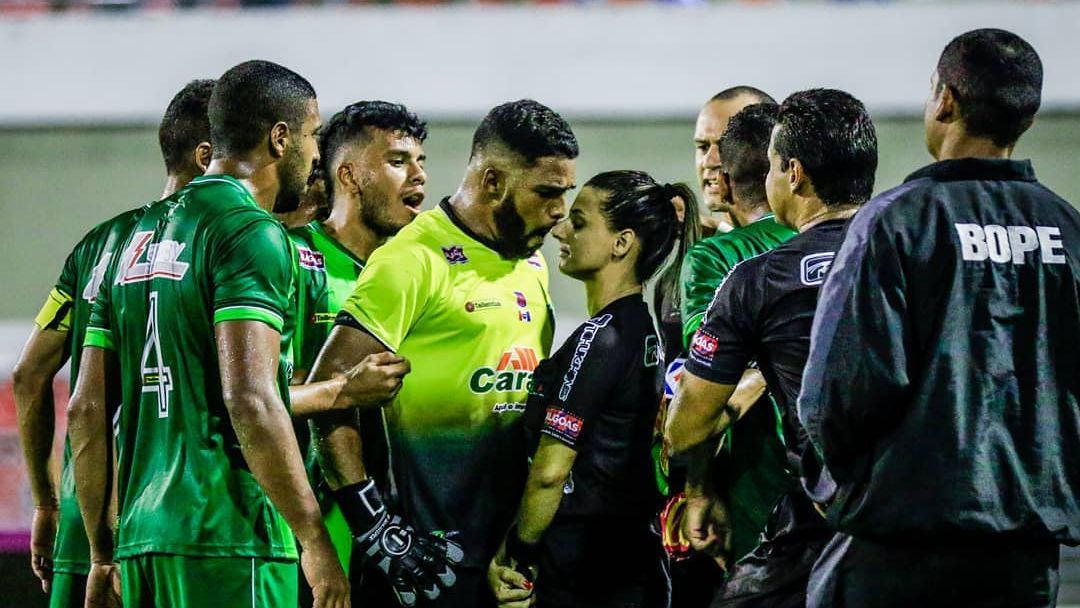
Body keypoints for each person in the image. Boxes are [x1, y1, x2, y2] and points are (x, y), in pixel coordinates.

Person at [799, 29, 1079, 608]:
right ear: (1024, 119)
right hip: (1025, 557)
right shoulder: (1070, 232)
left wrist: (833, 486)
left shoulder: (897, 223)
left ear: (945, 100)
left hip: (898, 548)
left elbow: (839, 391)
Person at [67, 60, 349, 608]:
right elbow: (250, 396)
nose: (317, 154)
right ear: (280, 137)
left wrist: (102, 552)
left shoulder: (133, 238)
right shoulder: (251, 232)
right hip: (229, 533)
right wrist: (315, 540)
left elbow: (86, 408)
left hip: (142, 538)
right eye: (314, 135)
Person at [307, 99, 579, 608]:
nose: (559, 211)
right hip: (423, 564)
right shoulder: (410, 260)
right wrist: (374, 526)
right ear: (493, 182)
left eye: (564, 193)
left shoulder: (533, 266)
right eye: (546, 192)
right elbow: (332, 393)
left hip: (504, 564)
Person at [666, 88, 878, 607]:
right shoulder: (918, 248)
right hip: (935, 514)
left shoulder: (752, 276)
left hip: (815, 511)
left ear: (793, 172)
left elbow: (686, 425)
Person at [12, 79, 214, 608]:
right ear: (209, 154)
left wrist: (47, 503)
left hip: (86, 512)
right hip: (174, 510)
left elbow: (29, 374)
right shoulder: (221, 241)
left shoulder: (98, 245)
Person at [489, 171, 696, 608]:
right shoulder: (643, 329)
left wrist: (517, 552)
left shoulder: (601, 337)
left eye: (579, 223)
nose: (560, 229)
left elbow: (550, 472)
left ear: (622, 243)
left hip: (585, 575)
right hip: (634, 568)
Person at [288, 100, 428, 597]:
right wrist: (344, 388)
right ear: (348, 176)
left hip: (399, 529)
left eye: (421, 161)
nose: (419, 177)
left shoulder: (419, 270)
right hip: (306, 529)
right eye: (397, 161)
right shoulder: (291, 257)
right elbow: (253, 394)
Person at [693, 86, 776, 236]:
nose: (708, 162)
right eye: (703, 147)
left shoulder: (810, 243)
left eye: (727, 146)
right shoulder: (714, 245)